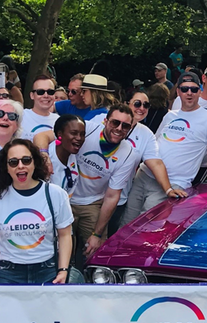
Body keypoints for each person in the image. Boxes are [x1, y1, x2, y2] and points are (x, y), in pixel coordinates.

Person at [34, 104, 136, 264]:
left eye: (125, 126)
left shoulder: (129, 154)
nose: (119, 128)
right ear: (106, 121)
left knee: (95, 251)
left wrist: (97, 234)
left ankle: (90, 284)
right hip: (64, 200)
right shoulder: (86, 129)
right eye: (115, 122)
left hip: (92, 202)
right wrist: (44, 156)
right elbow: (42, 136)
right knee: (60, 248)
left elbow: (112, 196)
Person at [0, 139, 73, 285]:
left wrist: (63, 270)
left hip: (47, 271)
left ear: (34, 162)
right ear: (6, 167)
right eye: (13, 162)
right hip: (9, 273)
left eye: (26, 160)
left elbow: (65, 235)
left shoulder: (55, 194)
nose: (20, 166)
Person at [122, 72, 207, 218]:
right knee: (127, 221)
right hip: (145, 175)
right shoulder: (170, 115)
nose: (189, 93)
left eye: (194, 89)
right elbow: (154, 143)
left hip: (173, 183)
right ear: (178, 92)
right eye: (184, 89)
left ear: (200, 91)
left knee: (147, 228)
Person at [110, 91, 186, 229]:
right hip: (93, 193)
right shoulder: (105, 120)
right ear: (127, 104)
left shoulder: (146, 134)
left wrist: (168, 189)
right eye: (137, 103)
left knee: (109, 234)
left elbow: (155, 162)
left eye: (146, 105)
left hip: (118, 196)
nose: (142, 108)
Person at [47, 114, 85, 198]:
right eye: (73, 133)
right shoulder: (46, 159)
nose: (79, 138)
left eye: (82, 134)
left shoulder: (72, 155)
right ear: (59, 134)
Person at [21, 75, 59, 140]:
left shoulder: (59, 121)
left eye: (50, 92)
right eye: (40, 92)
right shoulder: (21, 116)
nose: (46, 96)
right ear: (32, 95)